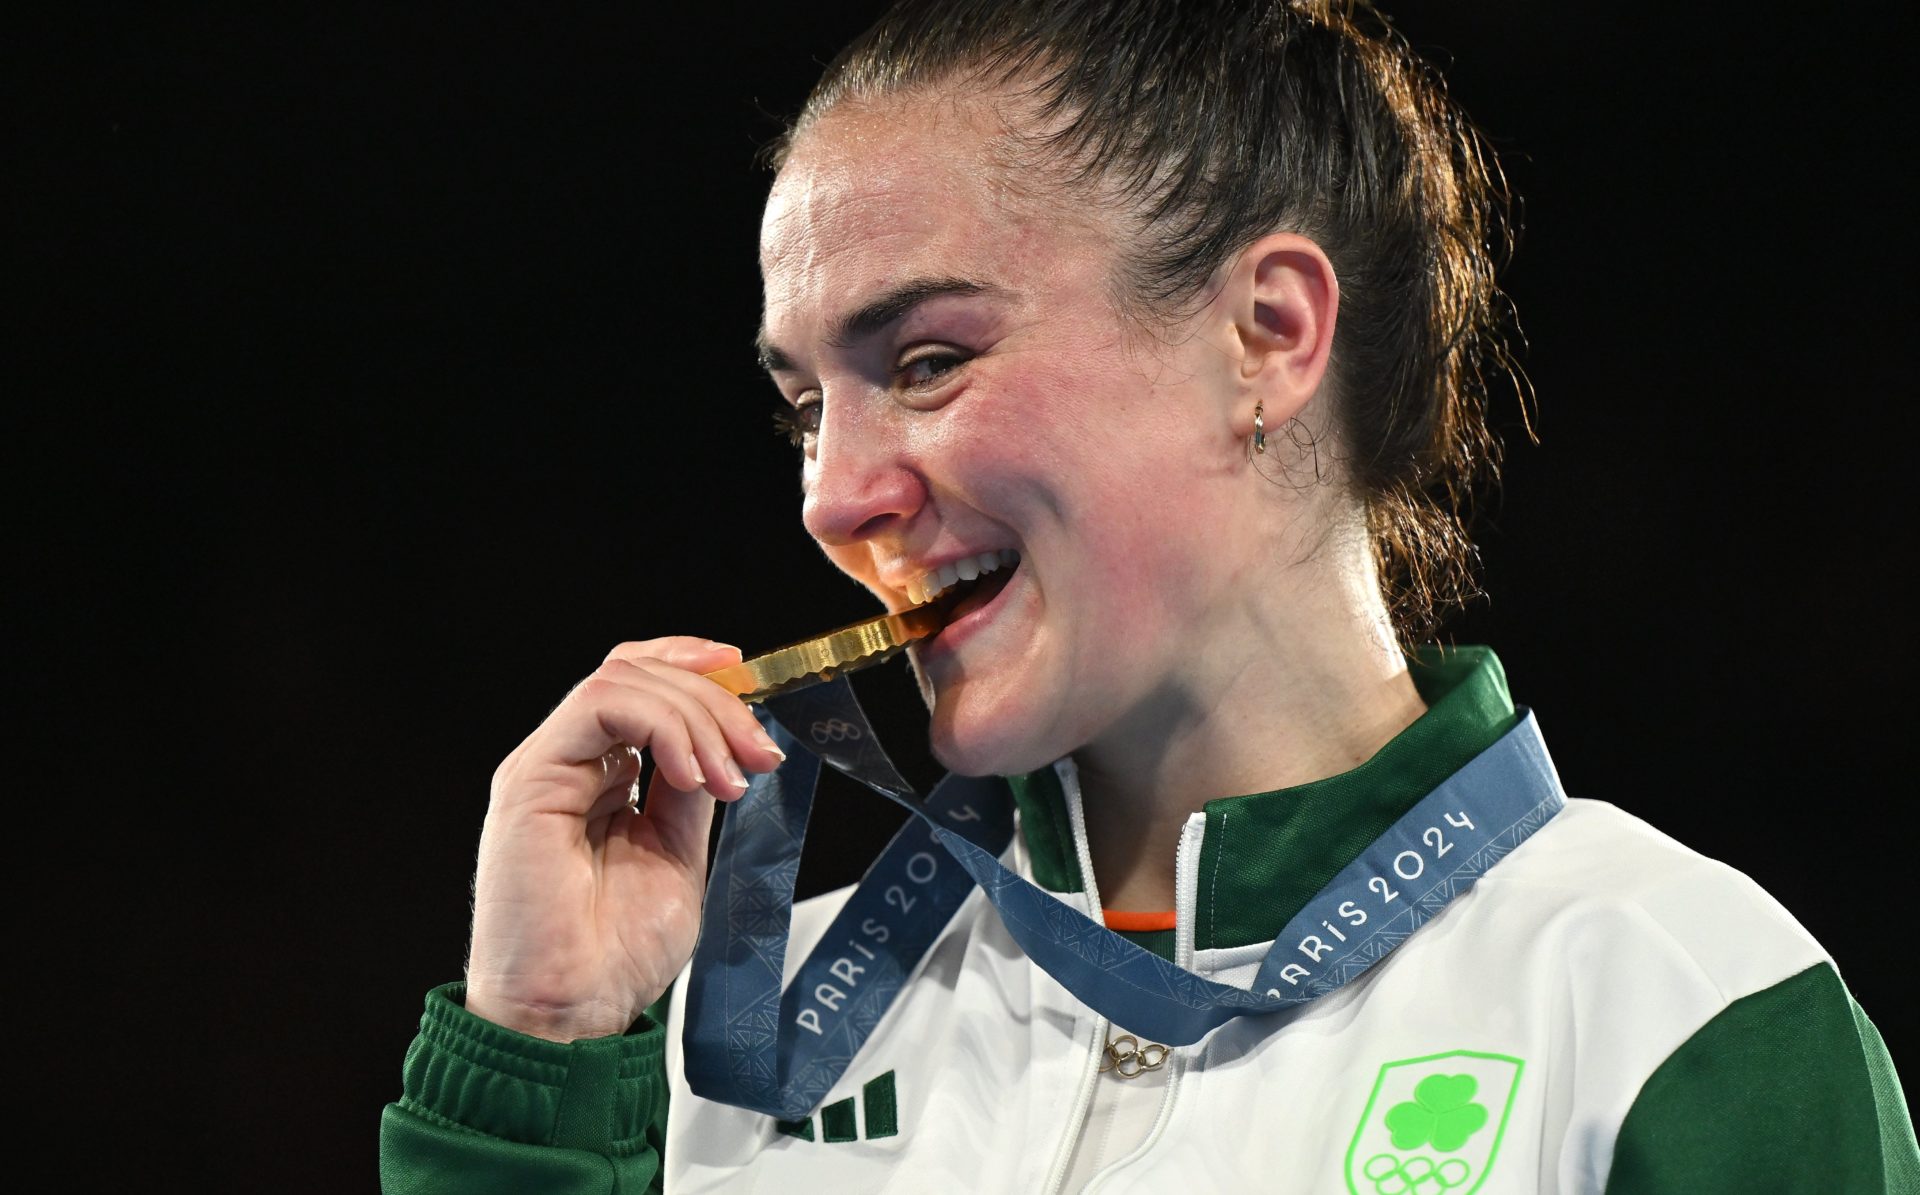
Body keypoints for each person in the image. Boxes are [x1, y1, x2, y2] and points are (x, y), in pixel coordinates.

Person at [380, 1, 1918, 1190]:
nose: (835, 496)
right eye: (805, 408)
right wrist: (542, 1055)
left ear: (1265, 333)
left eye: (928, 364)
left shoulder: (1667, 1004)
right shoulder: (735, 1046)